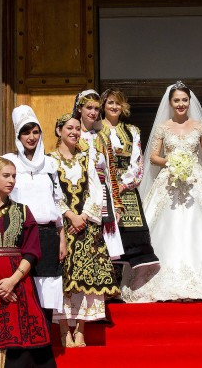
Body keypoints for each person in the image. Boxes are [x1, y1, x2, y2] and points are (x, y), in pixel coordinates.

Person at [122, 81, 202, 302]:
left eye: (184, 100)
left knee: (201, 225)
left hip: (195, 181)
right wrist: (172, 161)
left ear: (189, 102)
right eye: (176, 100)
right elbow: (153, 156)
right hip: (170, 181)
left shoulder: (199, 127)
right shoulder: (163, 127)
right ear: (170, 102)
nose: (181, 104)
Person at [0, 157, 54, 367]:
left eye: (14, 176)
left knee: (24, 341)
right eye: (6, 175)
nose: (11, 180)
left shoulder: (24, 211)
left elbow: (32, 251)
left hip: (19, 282)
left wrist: (11, 281)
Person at [49, 113, 119, 347]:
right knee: (63, 277)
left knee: (86, 277)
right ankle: (62, 330)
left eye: (77, 129)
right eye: (69, 128)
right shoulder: (50, 161)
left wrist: (84, 216)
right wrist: (69, 215)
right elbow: (52, 193)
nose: (74, 132)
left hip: (86, 226)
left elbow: (95, 189)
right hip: (62, 227)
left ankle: (80, 329)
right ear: (59, 131)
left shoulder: (86, 157)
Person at [2, 104, 67, 332]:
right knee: (23, 289)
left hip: (48, 235)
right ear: (18, 135)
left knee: (47, 291)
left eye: (35, 131)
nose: (31, 137)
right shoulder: (9, 163)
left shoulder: (50, 164)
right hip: (21, 235)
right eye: (26, 131)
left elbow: (57, 203)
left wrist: (62, 238)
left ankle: (45, 344)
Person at [98, 88, 159, 270]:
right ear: (103, 105)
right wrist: (108, 185)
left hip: (126, 190)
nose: (114, 106)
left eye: (118, 103)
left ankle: (124, 284)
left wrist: (123, 185)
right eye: (110, 102)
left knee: (129, 238)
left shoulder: (132, 130)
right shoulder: (94, 130)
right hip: (102, 187)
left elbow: (137, 162)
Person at [73, 90, 126, 264]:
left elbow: (111, 171)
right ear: (79, 108)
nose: (93, 112)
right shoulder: (73, 134)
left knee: (104, 252)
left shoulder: (102, 137)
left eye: (96, 108)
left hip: (103, 195)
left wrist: (116, 204)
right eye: (89, 107)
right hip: (81, 195)